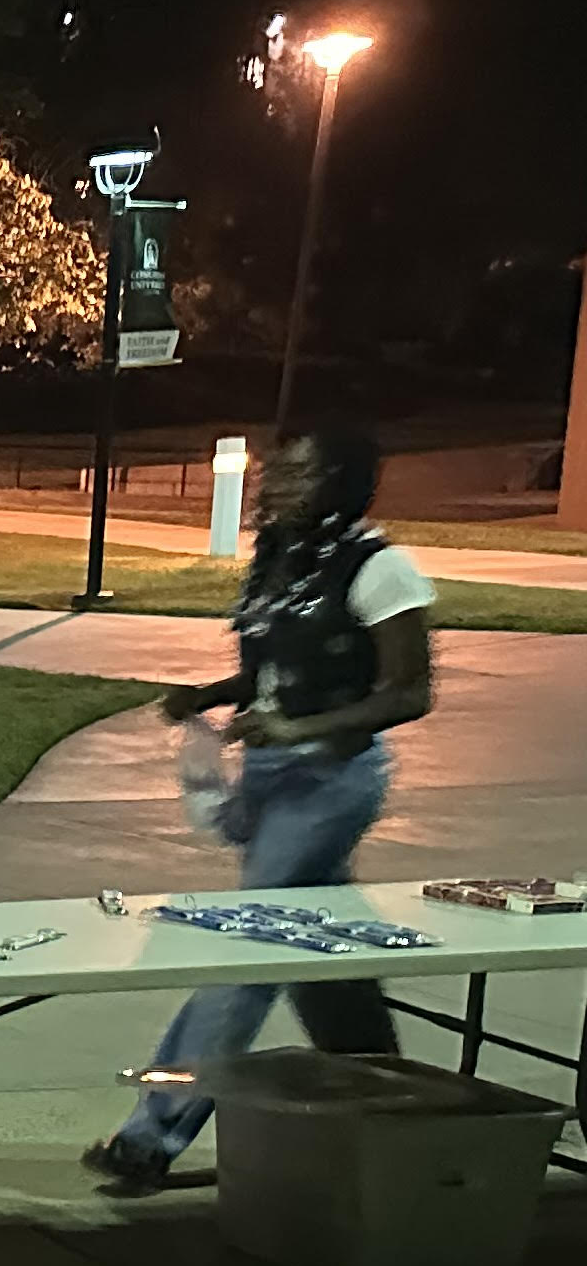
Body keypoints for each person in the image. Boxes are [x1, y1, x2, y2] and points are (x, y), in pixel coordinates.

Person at [84, 425, 436, 1194]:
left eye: (296, 474)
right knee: (318, 947)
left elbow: (409, 692)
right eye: (274, 472)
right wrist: (207, 696)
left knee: (244, 953)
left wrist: (300, 729)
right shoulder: (280, 560)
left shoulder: (380, 570)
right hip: (271, 775)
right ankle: (394, 1099)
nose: (274, 485)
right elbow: (273, 676)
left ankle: (152, 1134)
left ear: (341, 479)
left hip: (333, 782)